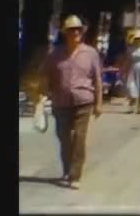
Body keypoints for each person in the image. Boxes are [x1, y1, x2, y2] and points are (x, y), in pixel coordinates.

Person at [39, 15, 103, 190]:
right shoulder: (55, 54)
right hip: (60, 102)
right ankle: (67, 170)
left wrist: (99, 103)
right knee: (64, 138)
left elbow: (97, 79)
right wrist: (44, 94)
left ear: (82, 32)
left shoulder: (91, 53)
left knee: (79, 138)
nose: (75, 32)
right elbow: (45, 75)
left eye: (78, 29)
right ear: (65, 33)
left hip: (84, 101)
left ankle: (75, 175)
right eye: (71, 30)